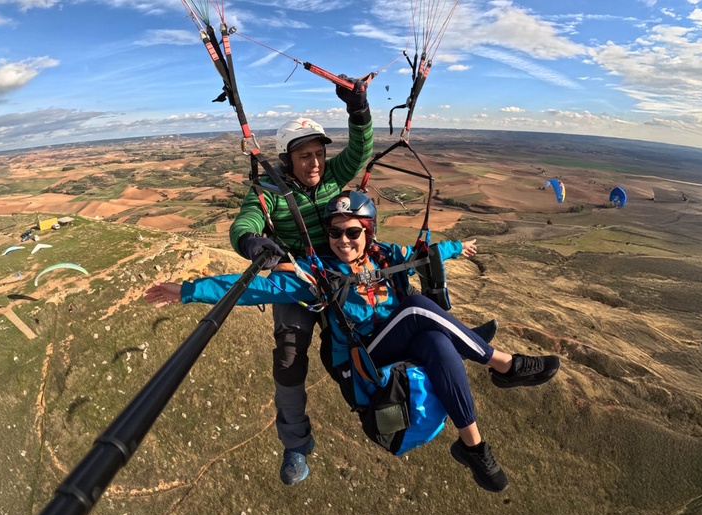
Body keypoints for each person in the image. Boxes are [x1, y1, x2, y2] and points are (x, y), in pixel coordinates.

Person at [146, 190, 561, 493]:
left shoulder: (384, 256)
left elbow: (423, 255)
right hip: (363, 361)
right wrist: (184, 291)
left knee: (436, 341)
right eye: (335, 232)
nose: (343, 240)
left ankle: (473, 447)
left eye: (352, 232)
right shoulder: (317, 273)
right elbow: (257, 288)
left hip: (399, 346)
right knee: (416, 306)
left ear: (369, 232)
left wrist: (457, 247)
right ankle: (504, 365)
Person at [226, 74, 374, 485]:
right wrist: (254, 243)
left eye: (318, 154)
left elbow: (361, 150)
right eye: (305, 155)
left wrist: (358, 110)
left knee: (375, 324)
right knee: (289, 358)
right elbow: (246, 221)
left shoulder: (331, 178)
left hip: (338, 272)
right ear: (287, 159)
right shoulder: (270, 190)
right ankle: (295, 444)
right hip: (297, 279)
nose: (314, 163)